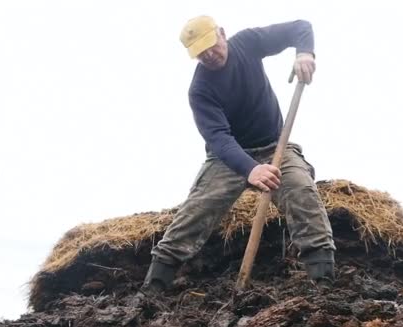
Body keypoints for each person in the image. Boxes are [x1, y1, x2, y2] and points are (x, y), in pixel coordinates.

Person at [142, 16, 336, 293]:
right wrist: (250, 169)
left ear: (222, 33)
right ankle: (154, 287)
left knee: (301, 191)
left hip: (275, 146)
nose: (209, 54)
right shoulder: (200, 90)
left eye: (211, 45)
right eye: (200, 53)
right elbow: (219, 139)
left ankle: (324, 281)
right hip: (227, 159)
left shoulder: (248, 43)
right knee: (197, 210)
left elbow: (300, 28)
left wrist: (305, 53)